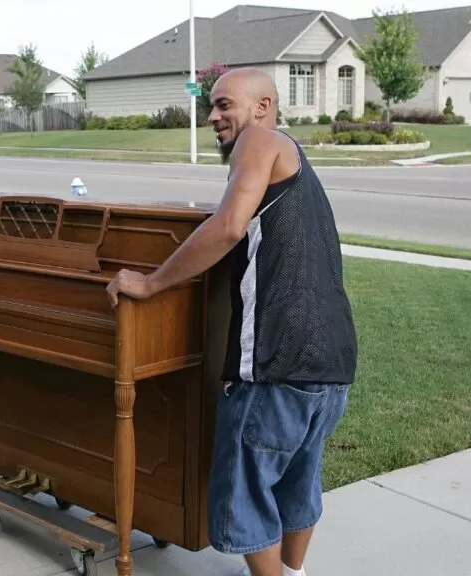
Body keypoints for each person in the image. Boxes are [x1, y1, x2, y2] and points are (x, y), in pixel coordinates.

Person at [105, 67, 357, 576]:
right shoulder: (293, 159)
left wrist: (152, 283)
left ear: (262, 107)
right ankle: (295, 573)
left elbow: (227, 226)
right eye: (211, 107)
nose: (213, 116)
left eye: (224, 105)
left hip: (275, 361)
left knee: (244, 490)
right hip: (331, 364)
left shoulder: (259, 140)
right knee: (298, 480)